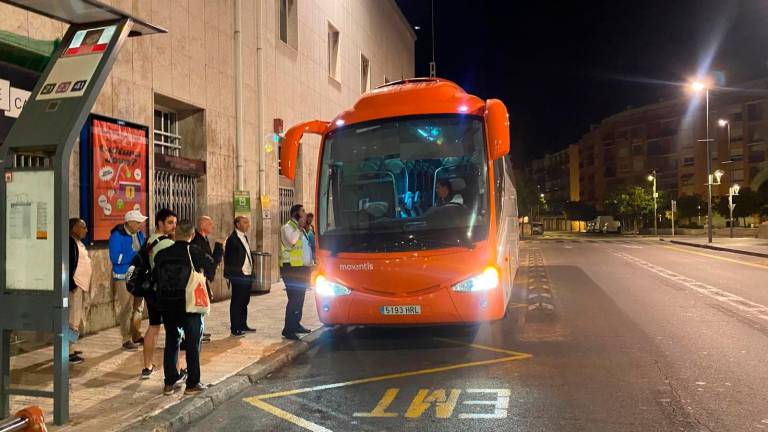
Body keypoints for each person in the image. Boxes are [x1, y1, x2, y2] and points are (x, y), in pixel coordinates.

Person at [153, 220, 216, 396]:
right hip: (189, 305)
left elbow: (155, 277)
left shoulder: (162, 254)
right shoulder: (194, 251)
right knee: (192, 344)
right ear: (193, 234)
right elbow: (211, 266)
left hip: (168, 304)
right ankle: (192, 383)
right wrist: (218, 250)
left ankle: (169, 382)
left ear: (175, 233)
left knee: (172, 342)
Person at [139, 208, 177, 380]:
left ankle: (147, 366)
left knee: (153, 327)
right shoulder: (168, 244)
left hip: (151, 291)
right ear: (159, 223)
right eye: (170, 223)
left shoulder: (150, 240)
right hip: (165, 293)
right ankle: (176, 369)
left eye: (175, 223)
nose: (173, 226)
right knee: (173, 330)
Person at [109, 210, 147, 351]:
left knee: (139, 306)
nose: (140, 225)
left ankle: (136, 334)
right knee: (126, 307)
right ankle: (126, 339)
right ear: (129, 222)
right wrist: (135, 255)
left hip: (138, 276)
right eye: (138, 222)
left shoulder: (139, 235)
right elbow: (116, 258)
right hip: (123, 276)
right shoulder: (117, 236)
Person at [280, 204, 314, 340]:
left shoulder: (302, 229)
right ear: (296, 214)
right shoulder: (287, 227)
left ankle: (296, 324)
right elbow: (293, 241)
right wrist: (300, 227)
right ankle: (288, 329)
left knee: (300, 299)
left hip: (302, 268)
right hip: (292, 268)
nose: (305, 214)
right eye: (303, 211)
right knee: (294, 299)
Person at [191, 216, 224, 343]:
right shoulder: (197, 240)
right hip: (198, 277)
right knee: (199, 305)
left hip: (202, 277)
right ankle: (197, 332)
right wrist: (219, 247)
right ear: (202, 225)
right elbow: (210, 262)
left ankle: (200, 330)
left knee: (202, 305)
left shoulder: (204, 238)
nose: (213, 226)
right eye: (210, 224)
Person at [224, 216, 255, 337]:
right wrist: (233, 275)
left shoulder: (244, 237)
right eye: (245, 222)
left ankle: (243, 324)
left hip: (247, 274)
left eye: (248, 222)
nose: (248, 224)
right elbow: (229, 259)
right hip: (239, 276)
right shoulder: (232, 239)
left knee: (245, 300)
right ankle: (235, 327)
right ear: (237, 224)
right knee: (237, 301)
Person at [68, 218, 92, 364]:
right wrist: (72, 284)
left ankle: (71, 346)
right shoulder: (70, 243)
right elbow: (69, 264)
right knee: (72, 320)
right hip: (74, 287)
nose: (86, 230)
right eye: (82, 227)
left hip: (80, 286)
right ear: (74, 228)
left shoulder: (77, 242)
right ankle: (68, 352)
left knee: (76, 320)